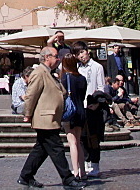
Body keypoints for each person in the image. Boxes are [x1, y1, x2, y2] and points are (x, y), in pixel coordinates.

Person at [17, 46, 84, 189]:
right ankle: (67, 179)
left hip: (51, 117)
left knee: (41, 149)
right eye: (55, 56)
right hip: (45, 118)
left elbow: (62, 92)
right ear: (47, 57)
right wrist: (27, 114)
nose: (58, 58)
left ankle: (25, 176)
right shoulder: (39, 73)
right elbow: (31, 95)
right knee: (56, 148)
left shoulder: (50, 73)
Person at [73, 41, 107, 178]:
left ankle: (95, 164)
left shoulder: (97, 67)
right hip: (81, 106)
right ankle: (85, 163)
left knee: (93, 136)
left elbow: (101, 87)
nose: (81, 56)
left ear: (87, 51)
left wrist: (98, 102)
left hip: (93, 106)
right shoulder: (77, 68)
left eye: (82, 52)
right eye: (77, 54)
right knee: (82, 137)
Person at [61, 54, 88, 182]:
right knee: (78, 141)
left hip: (70, 112)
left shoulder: (65, 78)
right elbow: (83, 96)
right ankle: (83, 170)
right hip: (81, 110)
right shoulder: (82, 78)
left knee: (72, 142)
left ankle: (75, 172)